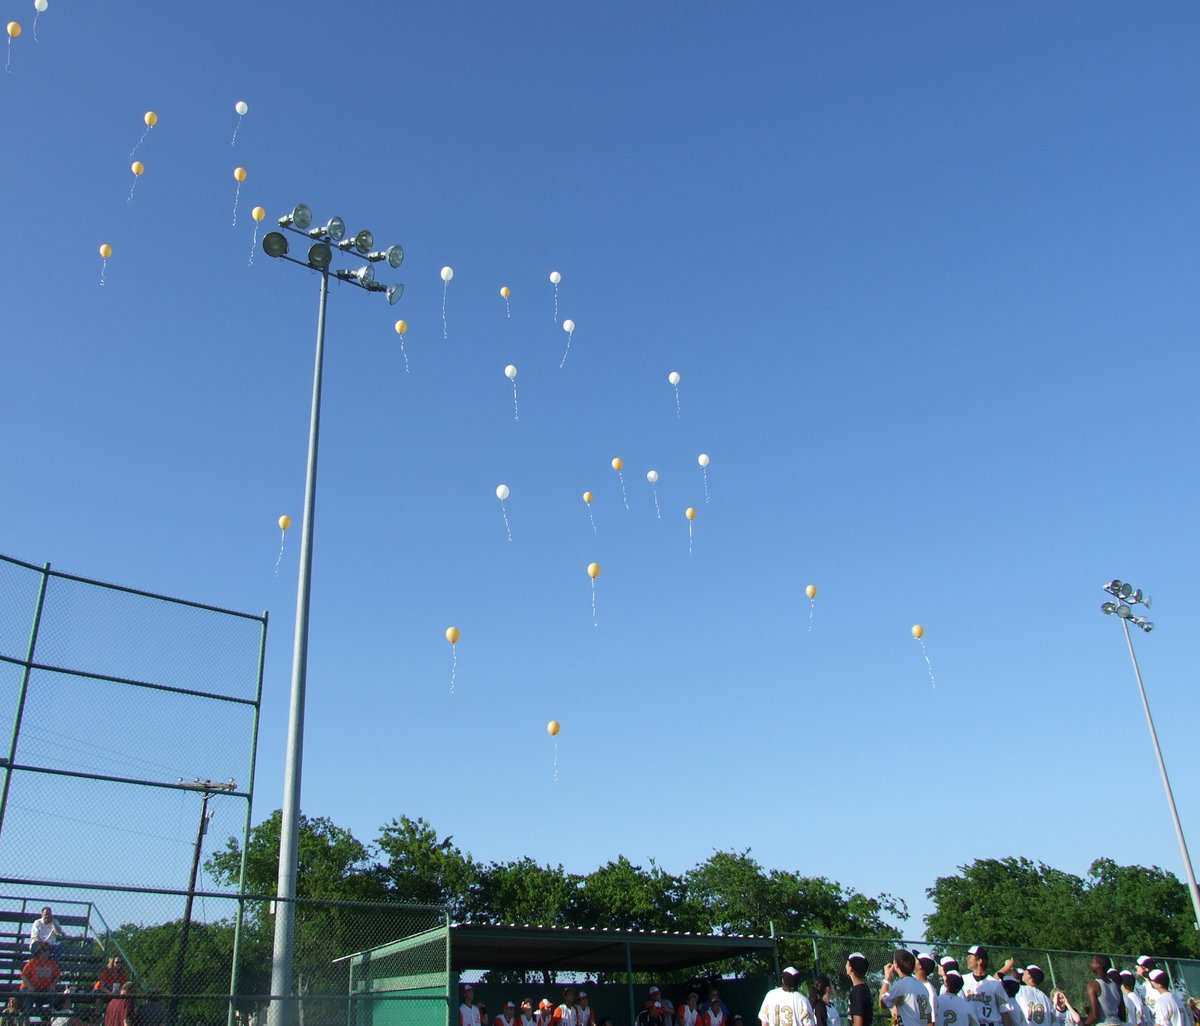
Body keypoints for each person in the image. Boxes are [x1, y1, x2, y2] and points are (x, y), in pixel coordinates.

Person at [880, 950, 933, 1026]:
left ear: (896, 965)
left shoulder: (901, 985)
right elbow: (929, 1017)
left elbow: (882, 1003)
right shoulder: (922, 986)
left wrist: (887, 978)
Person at [961, 947, 1011, 1026]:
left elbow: (1005, 1011)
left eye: (970, 957)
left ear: (979, 961)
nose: (967, 959)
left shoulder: (995, 984)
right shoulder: (963, 980)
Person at [21, 944, 62, 1016]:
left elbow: (57, 976)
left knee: (52, 993)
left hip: (45, 989)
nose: (46, 953)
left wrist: (52, 986)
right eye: (44, 951)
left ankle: (52, 1014)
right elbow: (24, 976)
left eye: (47, 951)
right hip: (30, 988)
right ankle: (27, 1014)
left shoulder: (52, 963)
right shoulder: (32, 962)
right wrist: (30, 986)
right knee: (29, 994)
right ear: (39, 952)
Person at [1083, 956, 1125, 1026]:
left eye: (1093, 962)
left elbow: (1094, 1016)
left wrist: (1084, 1024)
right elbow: (1123, 1016)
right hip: (1118, 1023)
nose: (1091, 964)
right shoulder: (1117, 987)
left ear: (1098, 965)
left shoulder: (1093, 986)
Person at [847, 952, 873, 1026]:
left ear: (851, 968)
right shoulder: (863, 988)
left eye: (847, 963)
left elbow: (858, 1023)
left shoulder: (858, 992)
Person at [914, 955, 939, 1026]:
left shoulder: (930, 991)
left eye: (916, 959)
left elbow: (931, 1022)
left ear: (920, 966)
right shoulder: (912, 983)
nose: (914, 960)